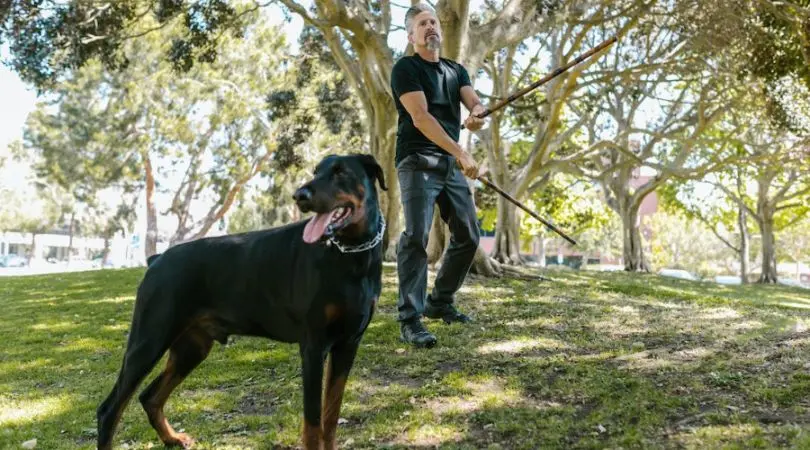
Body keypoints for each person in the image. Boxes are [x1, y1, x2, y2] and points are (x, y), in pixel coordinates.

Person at [390, 2, 487, 348]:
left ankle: (439, 302)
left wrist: (477, 113)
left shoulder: (455, 70)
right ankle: (410, 318)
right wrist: (460, 151)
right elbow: (421, 118)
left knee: (469, 234)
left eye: (433, 22)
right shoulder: (406, 69)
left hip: (447, 163)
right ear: (411, 35)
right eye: (422, 24)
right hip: (417, 159)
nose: (430, 27)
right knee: (416, 236)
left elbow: (473, 102)